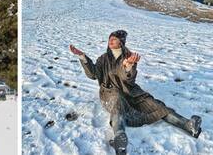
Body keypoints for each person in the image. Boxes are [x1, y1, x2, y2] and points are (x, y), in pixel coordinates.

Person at [70, 30, 202, 155]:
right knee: (117, 105)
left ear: (121, 42)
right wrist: (82, 56)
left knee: (157, 106)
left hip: (131, 92)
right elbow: (93, 74)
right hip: (110, 92)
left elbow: (127, 78)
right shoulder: (103, 59)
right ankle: (119, 137)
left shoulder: (129, 57)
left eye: (114, 39)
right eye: (110, 38)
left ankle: (188, 125)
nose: (111, 40)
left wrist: (128, 66)